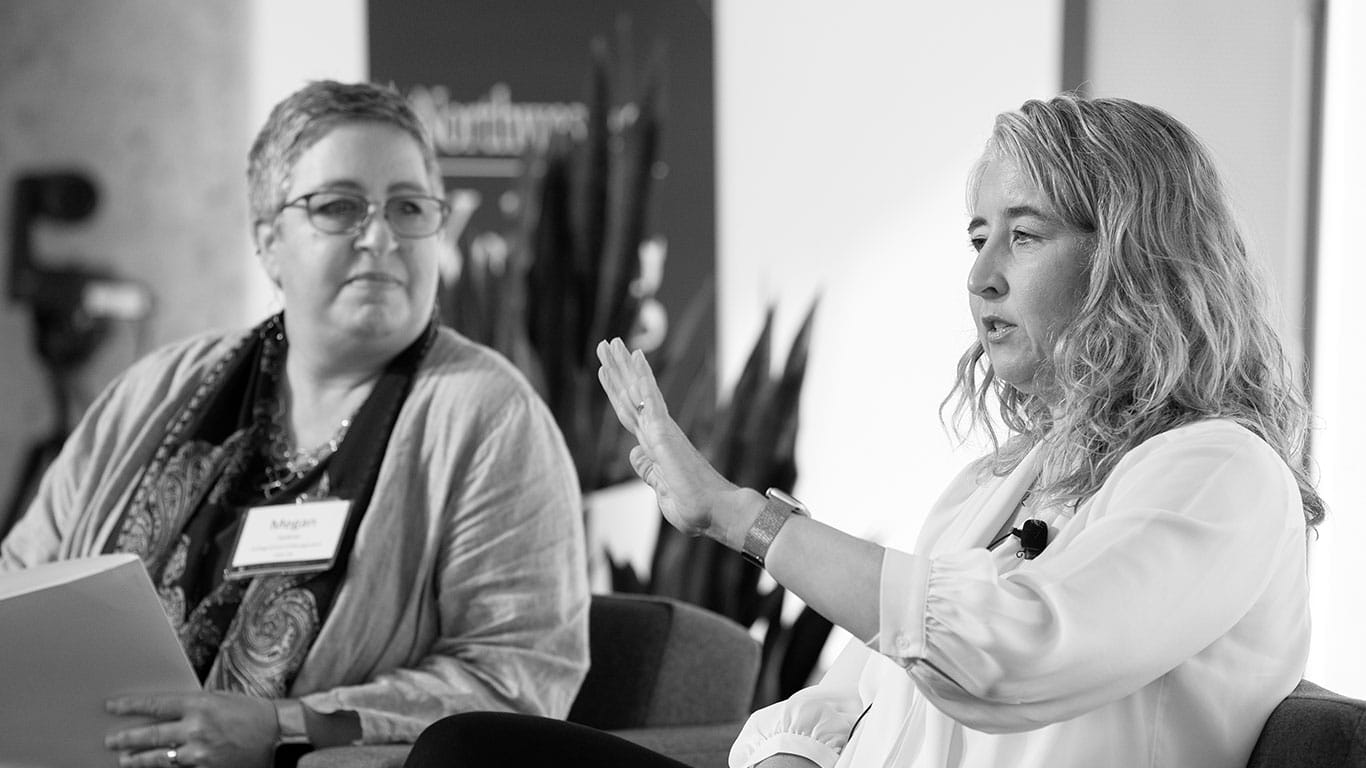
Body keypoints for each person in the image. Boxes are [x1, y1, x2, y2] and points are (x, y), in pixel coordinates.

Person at [404, 94, 1322, 768]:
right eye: (977, 239)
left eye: (1026, 236)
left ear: (1135, 258)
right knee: (472, 752)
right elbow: (851, 693)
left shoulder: (1221, 471)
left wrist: (741, 517)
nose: (983, 278)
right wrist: (791, 762)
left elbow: (1017, 651)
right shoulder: (999, 484)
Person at [0, 80, 589, 767]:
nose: (381, 237)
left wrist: (283, 726)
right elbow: (19, 579)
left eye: (409, 207)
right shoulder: (157, 387)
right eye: (340, 207)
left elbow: (517, 683)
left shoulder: (490, 417)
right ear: (268, 241)